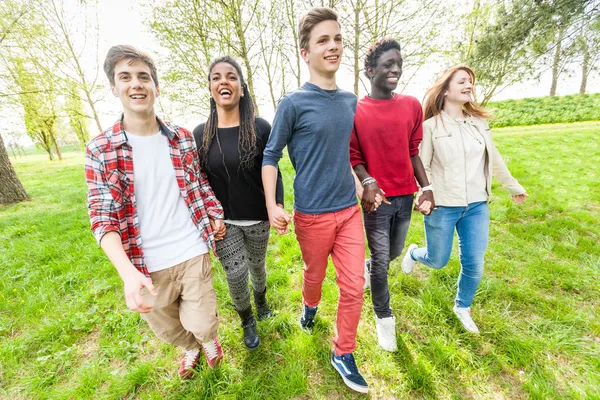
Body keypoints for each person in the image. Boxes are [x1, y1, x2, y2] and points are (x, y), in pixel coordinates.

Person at [85, 45, 226, 379]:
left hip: (191, 248)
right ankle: (190, 349)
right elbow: (101, 215)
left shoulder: (181, 137)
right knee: (167, 329)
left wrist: (213, 211)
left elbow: (198, 181)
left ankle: (207, 341)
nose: (136, 84)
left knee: (203, 322)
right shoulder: (100, 150)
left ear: (155, 87)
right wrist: (126, 273)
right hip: (144, 265)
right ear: (114, 87)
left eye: (143, 77)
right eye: (126, 77)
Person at [262, 7, 371, 394]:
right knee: (315, 277)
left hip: (348, 212)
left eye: (337, 38)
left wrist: (359, 184)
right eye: (323, 40)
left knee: (355, 286)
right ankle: (310, 306)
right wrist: (274, 205)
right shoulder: (292, 103)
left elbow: (344, 150)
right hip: (311, 216)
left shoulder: (350, 100)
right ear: (305, 53)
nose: (333, 46)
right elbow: (270, 155)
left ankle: (343, 352)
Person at [402, 65, 528, 333]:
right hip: (443, 206)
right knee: (438, 260)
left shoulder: (479, 125)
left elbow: (494, 159)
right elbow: (420, 166)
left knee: (474, 262)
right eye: (462, 82)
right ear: (445, 90)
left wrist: (513, 186)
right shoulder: (430, 127)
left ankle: (462, 307)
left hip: (477, 205)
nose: (469, 85)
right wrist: (423, 194)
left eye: (471, 81)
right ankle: (414, 253)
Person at [193, 56, 284, 350]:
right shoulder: (200, 134)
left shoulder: (260, 128)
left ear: (242, 88)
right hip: (224, 222)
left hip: (258, 217)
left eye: (231, 77)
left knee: (257, 266)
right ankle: (247, 319)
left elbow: (273, 171)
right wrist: (208, 216)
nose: (224, 82)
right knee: (235, 274)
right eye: (217, 77)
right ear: (210, 88)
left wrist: (277, 205)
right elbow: (199, 181)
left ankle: (261, 299)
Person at [350, 38, 434, 352]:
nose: (396, 69)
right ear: (370, 70)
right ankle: (384, 319)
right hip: (377, 201)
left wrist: (426, 188)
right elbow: (354, 156)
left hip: (406, 196)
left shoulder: (412, 105)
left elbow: (413, 152)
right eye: (388, 64)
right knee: (383, 260)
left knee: (393, 252)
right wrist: (368, 180)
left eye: (398, 63)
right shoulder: (356, 110)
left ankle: (371, 268)